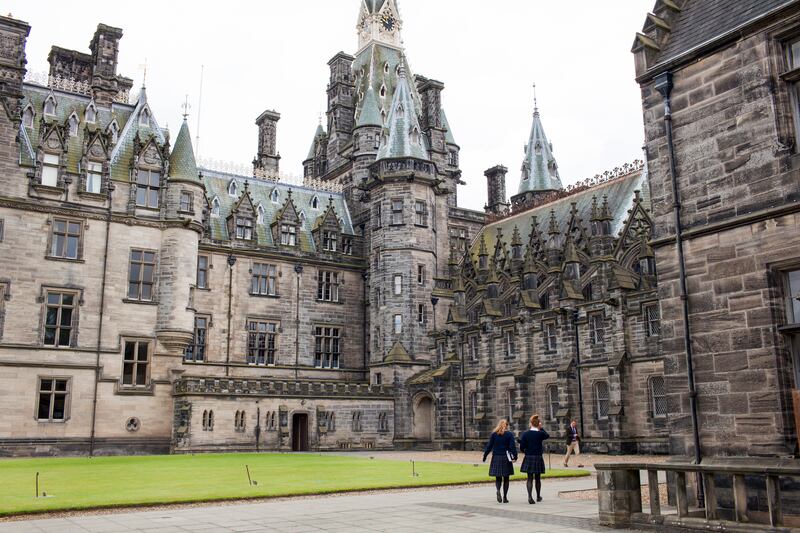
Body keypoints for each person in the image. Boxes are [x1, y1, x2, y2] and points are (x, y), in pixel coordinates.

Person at [482, 419, 517, 503]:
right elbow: (512, 447)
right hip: (506, 457)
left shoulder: (494, 434)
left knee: (498, 477)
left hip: (496, 457)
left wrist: (485, 455)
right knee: (506, 478)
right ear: (507, 426)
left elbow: (489, 446)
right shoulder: (509, 434)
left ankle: (498, 490)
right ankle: (505, 497)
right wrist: (515, 456)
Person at [519, 414, 549, 504]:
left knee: (529, 478)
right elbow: (547, 435)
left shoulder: (526, 434)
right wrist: (541, 428)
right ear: (538, 424)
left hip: (529, 457)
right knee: (538, 478)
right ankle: (538, 496)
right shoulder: (540, 434)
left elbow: (522, 447)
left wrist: (525, 452)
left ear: (531, 424)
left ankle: (529, 496)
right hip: (538, 457)